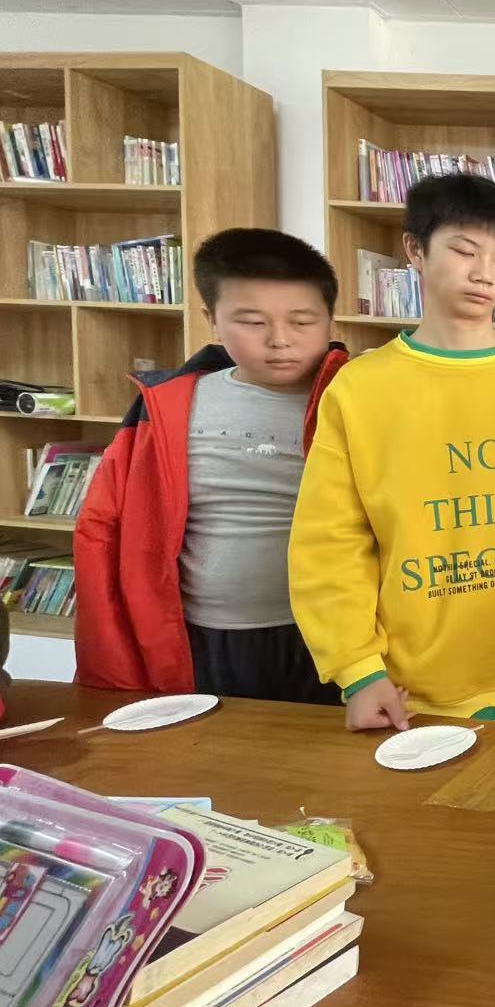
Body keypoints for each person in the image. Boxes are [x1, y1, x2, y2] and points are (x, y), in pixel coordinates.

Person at [289, 173, 495, 729]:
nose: (485, 273)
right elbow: (331, 539)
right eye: (464, 251)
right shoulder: (360, 388)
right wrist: (357, 669)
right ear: (415, 249)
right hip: (403, 688)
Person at [74, 229, 347, 702]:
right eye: (252, 322)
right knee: (211, 745)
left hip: (335, 635)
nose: (280, 340)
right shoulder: (165, 407)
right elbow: (104, 529)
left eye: (303, 321)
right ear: (212, 321)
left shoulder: (356, 400)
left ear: (330, 320)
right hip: (203, 637)